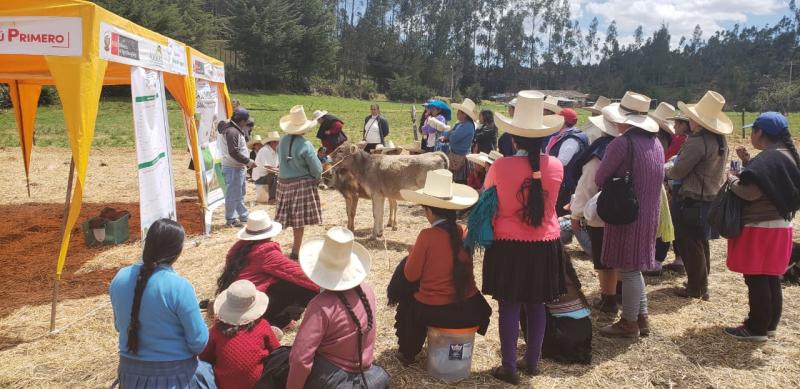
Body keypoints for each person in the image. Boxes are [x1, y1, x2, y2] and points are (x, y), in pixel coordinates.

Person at [483, 91, 567, 384]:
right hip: (545, 243)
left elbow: (488, 200)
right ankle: (532, 361)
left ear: (514, 138)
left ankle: (509, 367)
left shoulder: (500, 166)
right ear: (544, 138)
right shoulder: (556, 166)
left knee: (508, 304)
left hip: (508, 244)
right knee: (537, 303)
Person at [391, 169, 492, 365]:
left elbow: (411, 276)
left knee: (408, 303)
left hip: (434, 309)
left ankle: (408, 352)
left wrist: (413, 254)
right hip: (468, 308)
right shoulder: (464, 231)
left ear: (429, 211)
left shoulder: (427, 236)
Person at [109, 219, 215, 388]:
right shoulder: (179, 286)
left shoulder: (119, 278)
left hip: (130, 377)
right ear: (178, 251)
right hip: (175, 378)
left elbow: (118, 326)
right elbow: (199, 342)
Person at [724, 112, 800, 341]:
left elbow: (751, 192)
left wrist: (731, 179)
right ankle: (769, 324)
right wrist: (749, 164)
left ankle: (756, 327)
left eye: (753, 131)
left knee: (755, 277)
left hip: (760, 226)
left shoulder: (767, 158)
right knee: (770, 276)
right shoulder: (787, 155)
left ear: (760, 133)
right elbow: (770, 185)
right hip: (781, 225)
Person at [594, 91, 664, 338]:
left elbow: (600, 177)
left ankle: (629, 322)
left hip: (627, 213)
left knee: (629, 270)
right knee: (635, 267)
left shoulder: (622, 143)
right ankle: (641, 317)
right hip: (648, 213)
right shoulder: (656, 143)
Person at [288, 227, 389, 389]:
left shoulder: (321, 305)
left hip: (333, 378)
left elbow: (300, 359)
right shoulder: (367, 291)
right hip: (365, 373)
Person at [667, 91, 731, 300]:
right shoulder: (720, 140)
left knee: (689, 243)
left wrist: (664, 169)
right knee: (701, 242)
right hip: (710, 197)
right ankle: (701, 283)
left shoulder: (697, 142)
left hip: (692, 198)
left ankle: (696, 287)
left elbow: (678, 171)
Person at [215, 211, 319, 330]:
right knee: (301, 286)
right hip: (250, 308)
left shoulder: (239, 247)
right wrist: (325, 285)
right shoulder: (266, 252)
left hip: (234, 302)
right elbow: (299, 274)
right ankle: (279, 321)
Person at [573, 110, 621, 313]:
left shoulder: (599, 152)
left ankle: (608, 298)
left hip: (600, 211)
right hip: (621, 209)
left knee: (603, 260)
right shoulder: (627, 148)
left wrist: (576, 213)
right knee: (616, 258)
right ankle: (616, 292)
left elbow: (587, 185)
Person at [200, 280, 281, 388]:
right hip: (258, 382)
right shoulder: (262, 325)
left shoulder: (215, 332)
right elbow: (276, 351)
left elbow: (204, 357)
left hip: (225, 384)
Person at [276, 105, 324, 260]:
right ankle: (296, 251)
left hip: (283, 185)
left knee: (283, 219)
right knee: (298, 221)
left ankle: (273, 246)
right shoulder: (306, 144)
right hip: (301, 185)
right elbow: (316, 168)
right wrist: (318, 178)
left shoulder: (282, 141)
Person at [546, 108, 589, 216]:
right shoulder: (564, 135)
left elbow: (562, 161)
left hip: (566, 184)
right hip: (563, 181)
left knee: (560, 212)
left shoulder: (571, 139)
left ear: (563, 122)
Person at [219, 107, 257, 227]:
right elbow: (233, 152)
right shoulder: (233, 132)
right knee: (233, 194)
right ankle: (231, 219)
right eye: (246, 121)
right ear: (241, 121)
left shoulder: (233, 129)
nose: (246, 123)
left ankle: (243, 216)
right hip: (233, 168)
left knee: (239, 193)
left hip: (236, 167)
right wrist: (248, 162)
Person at [427, 98, 479, 183]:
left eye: (459, 112)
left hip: (460, 158)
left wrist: (449, 135)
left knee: (459, 182)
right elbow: (449, 133)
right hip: (455, 156)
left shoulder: (468, 126)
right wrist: (448, 135)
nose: (457, 113)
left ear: (464, 114)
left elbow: (453, 138)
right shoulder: (460, 123)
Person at [253, 131, 281, 205]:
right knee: (275, 176)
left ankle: (277, 196)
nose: (279, 144)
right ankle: (272, 199)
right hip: (260, 178)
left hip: (266, 177)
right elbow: (268, 168)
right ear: (272, 143)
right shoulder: (265, 150)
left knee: (278, 175)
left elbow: (277, 166)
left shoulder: (275, 151)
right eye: (277, 142)